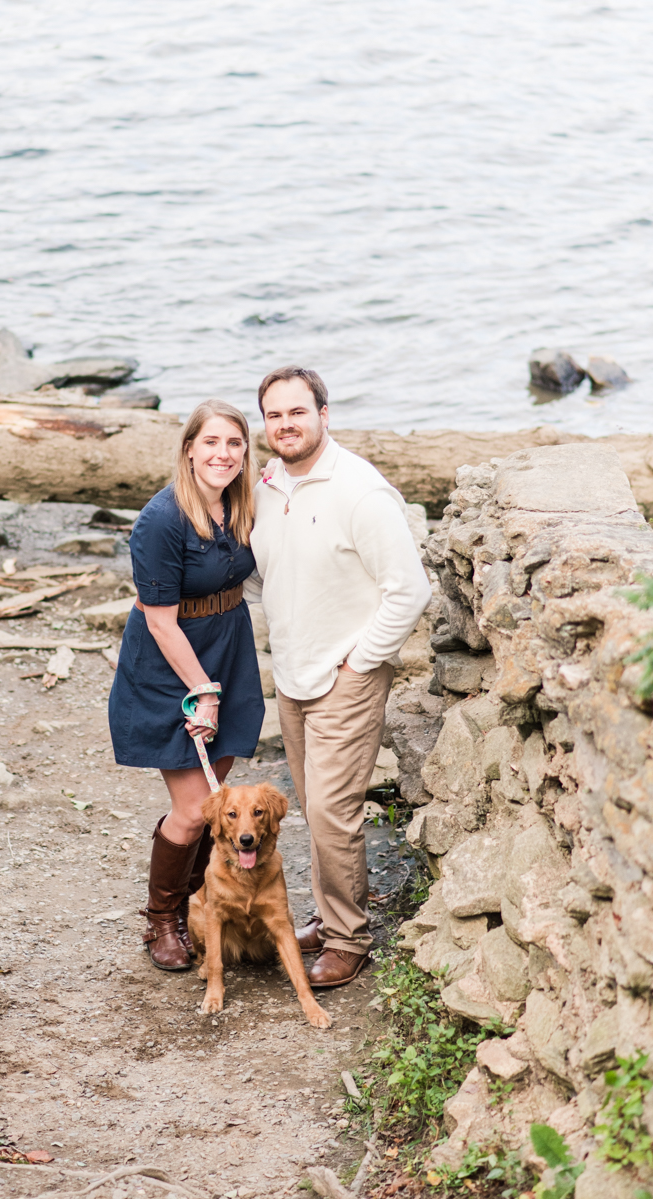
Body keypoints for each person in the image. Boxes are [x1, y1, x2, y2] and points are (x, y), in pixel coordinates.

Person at [245, 366, 431, 987]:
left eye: (298, 412)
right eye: (274, 415)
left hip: (346, 677)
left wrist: (360, 661)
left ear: (326, 414)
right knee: (314, 809)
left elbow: (409, 590)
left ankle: (350, 940)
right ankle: (329, 920)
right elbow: (263, 571)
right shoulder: (270, 485)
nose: (286, 424)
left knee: (331, 813)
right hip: (293, 675)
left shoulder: (360, 491)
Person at [109, 399, 265, 971]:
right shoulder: (162, 519)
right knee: (198, 806)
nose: (223, 454)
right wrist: (203, 690)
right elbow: (158, 619)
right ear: (189, 449)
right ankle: (162, 922)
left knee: (216, 794)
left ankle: (203, 905)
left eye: (235, 444)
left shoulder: (244, 503)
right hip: (171, 664)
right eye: (212, 443)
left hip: (229, 649)